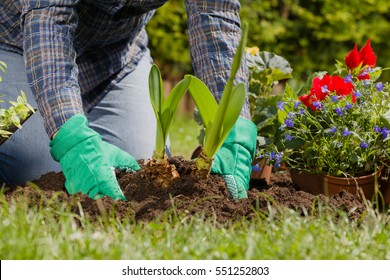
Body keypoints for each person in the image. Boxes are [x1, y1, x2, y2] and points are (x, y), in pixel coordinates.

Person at [0, 0, 257, 200]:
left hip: (116, 58)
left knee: (143, 172)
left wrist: (233, 130)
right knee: (38, 170)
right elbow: (48, 21)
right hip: (18, 46)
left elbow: (214, 17)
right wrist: (72, 139)